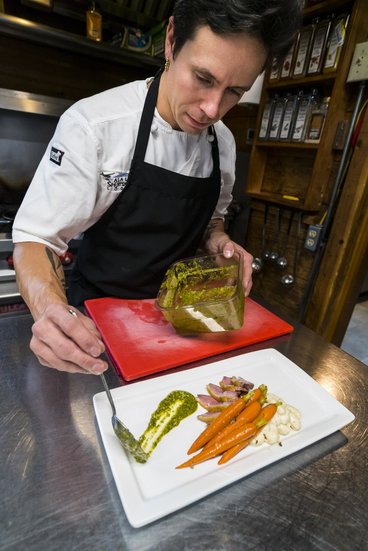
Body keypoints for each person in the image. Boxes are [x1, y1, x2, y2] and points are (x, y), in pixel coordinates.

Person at [12, 0, 304, 375]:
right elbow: (36, 240)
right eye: (203, 78)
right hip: (97, 329)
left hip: (181, 326)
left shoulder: (223, 144)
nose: (213, 109)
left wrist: (219, 243)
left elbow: (211, 223)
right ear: (171, 41)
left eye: (235, 91)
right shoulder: (96, 126)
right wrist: (51, 310)